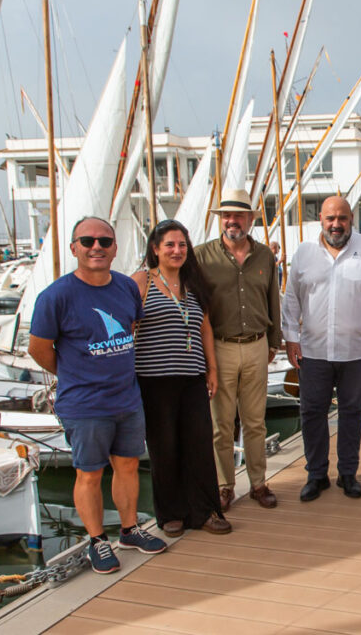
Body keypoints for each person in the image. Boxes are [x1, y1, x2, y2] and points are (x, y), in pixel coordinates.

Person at [29, 216, 167, 574]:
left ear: (115, 249)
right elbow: (38, 348)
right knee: (89, 473)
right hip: (85, 404)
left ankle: (129, 529)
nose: (96, 248)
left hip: (126, 398)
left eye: (104, 242)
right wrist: (73, 373)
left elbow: (130, 328)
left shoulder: (125, 287)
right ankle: (96, 541)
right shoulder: (55, 296)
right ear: (74, 247)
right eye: (87, 241)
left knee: (128, 466)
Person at [283, 196, 361, 501]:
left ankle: (348, 473)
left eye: (342, 218)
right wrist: (291, 336)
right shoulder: (305, 254)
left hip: (357, 352)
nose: (336, 224)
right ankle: (316, 474)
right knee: (311, 413)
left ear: (351, 220)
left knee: (352, 413)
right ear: (321, 219)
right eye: (330, 218)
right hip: (314, 351)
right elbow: (291, 299)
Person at [131, 220, 231, 537]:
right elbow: (126, 327)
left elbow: (204, 328)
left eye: (182, 244)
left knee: (199, 445)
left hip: (192, 377)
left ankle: (204, 511)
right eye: (170, 245)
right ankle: (171, 514)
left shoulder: (191, 282)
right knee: (164, 447)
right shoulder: (141, 281)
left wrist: (211, 369)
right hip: (154, 379)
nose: (177, 250)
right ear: (155, 249)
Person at [196, 189, 281, 511]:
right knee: (221, 424)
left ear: (250, 219)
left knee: (255, 421)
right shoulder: (202, 256)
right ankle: (224, 486)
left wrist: (274, 341)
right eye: (227, 216)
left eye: (239, 216)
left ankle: (258, 483)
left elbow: (273, 298)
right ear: (221, 219)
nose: (233, 221)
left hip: (258, 345)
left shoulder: (264, 256)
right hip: (220, 348)